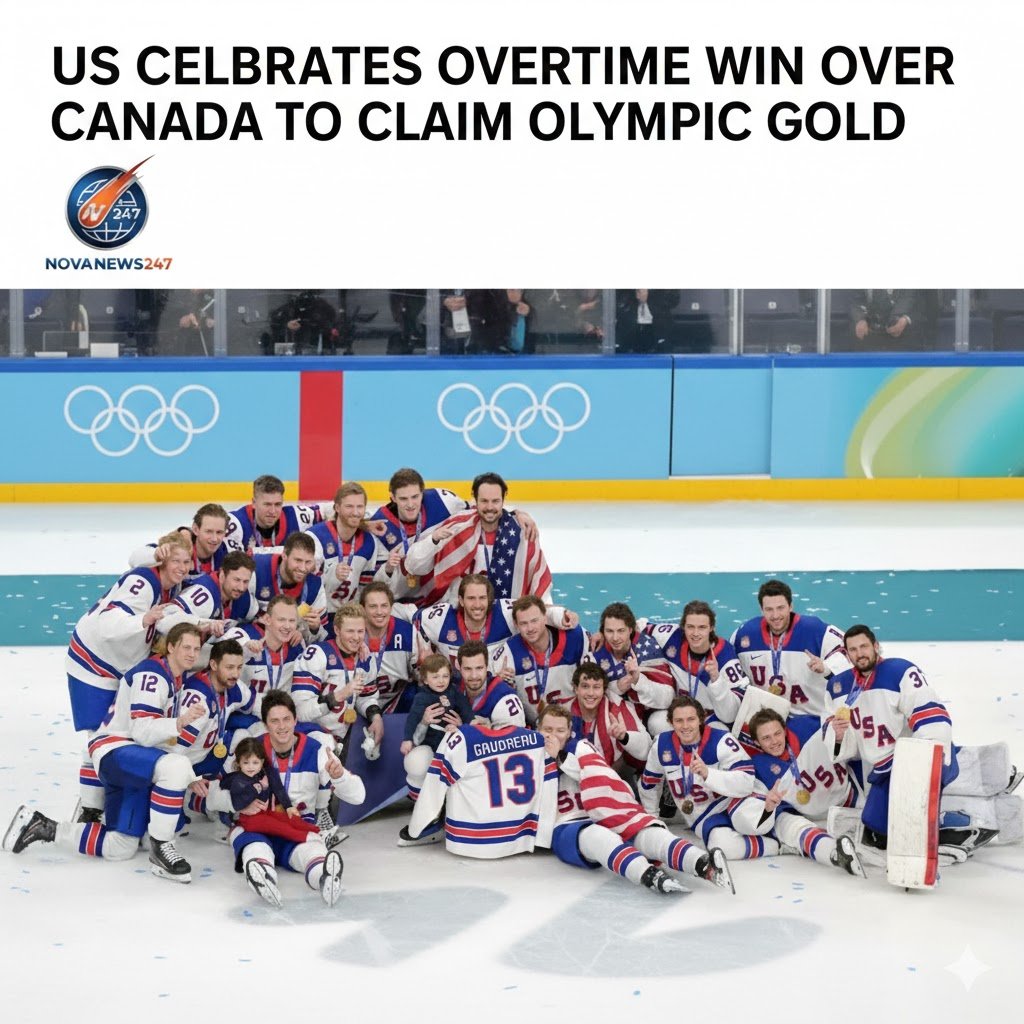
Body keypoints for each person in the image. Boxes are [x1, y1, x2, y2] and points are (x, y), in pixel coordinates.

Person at [6, 623, 208, 883]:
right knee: (176, 767)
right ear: (170, 647)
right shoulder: (154, 675)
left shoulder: (174, 677)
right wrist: (179, 722)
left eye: (196, 648)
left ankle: (43, 826)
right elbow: (143, 731)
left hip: (134, 760)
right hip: (116, 750)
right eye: (186, 647)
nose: (192, 654)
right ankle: (161, 848)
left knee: (120, 847)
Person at [828, 625, 997, 857]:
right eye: (853, 650)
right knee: (876, 832)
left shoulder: (899, 671)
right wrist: (838, 737)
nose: (860, 653)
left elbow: (930, 715)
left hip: (914, 760)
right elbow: (847, 748)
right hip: (884, 771)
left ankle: (958, 819)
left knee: (913, 816)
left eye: (864, 646)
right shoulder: (839, 688)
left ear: (876, 646)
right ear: (847, 654)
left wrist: (923, 765)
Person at [539, 704, 733, 895]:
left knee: (645, 833)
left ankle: (701, 862)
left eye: (560, 730)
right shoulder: (527, 755)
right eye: (548, 729)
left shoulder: (581, 748)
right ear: (537, 728)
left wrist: (560, 757)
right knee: (598, 836)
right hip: (564, 825)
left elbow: (596, 775)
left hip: (601, 814)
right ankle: (648, 874)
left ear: (570, 731)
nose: (553, 735)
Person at [66, 530, 192, 821]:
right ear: (162, 558)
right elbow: (109, 625)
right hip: (93, 665)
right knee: (99, 737)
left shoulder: (168, 584)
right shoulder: (143, 581)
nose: (183, 568)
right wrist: (143, 620)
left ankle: (100, 803)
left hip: (118, 668)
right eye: (177, 560)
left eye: (187, 562)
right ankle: (89, 808)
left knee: (114, 734)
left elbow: (139, 555)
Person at [206, 690, 364, 908]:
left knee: (313, 851)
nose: (282, 726)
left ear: (295, 720)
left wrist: (340, 777)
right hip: (256, 828)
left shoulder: (316, 750)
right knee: (254, 846)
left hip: (296, 826)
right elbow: (212, 795)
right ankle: (262, 874)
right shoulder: (249, 750)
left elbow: (358, 797)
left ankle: (325, 877)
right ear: (265, 724)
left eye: (286, 719)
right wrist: (237, 802)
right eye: (274, 721)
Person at [372, 468, 540, 606]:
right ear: (393, 497)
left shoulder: (442, 501)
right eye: (403, 498)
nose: (410, 504)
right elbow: (378, 580)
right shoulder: (380, 526)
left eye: (415, 497)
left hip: (433, 589)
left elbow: (481, 507)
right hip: (401, 594)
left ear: (422, 493)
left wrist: (515, 512)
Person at [639, 697, 780, 861]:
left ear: (700, 719)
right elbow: (649, 784)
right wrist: (652, 821)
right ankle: (776, 846)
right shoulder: (661, 745)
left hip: (736, 800)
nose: (685, 726)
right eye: (679, 720)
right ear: (670, 722)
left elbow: (746, 781)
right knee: (722, 848)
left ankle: (776, 830)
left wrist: (708, 774)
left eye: (691, 719)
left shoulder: (721, 740)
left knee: (750, 822)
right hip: (705, 816)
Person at [398, 718, 559, 856]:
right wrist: (543, 837)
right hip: (518, 837)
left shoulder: (462, 738)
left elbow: (435, 783)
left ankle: (429, 826)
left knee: (419, 762)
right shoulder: (537, 741)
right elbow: (549, 786)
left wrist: (416, 827)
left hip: (468, 839)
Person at [748, 708, 865, 878]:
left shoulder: (805, 728)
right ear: (757, 742)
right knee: (784, 822)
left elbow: (839, 735)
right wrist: (770, 804)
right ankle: (833, 853)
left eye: (777, 733)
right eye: (766, 738)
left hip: (843, 798)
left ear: (785, 730)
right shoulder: (756, 766)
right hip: (807, 816)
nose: (774, 741)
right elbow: (760, 815)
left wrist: (838, 735)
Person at [731, 579, 849, 742]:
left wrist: (827, 667)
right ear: (761, 609)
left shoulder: (815, 630)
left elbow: (848, 650)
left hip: (810, 719)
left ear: (791, 606)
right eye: (769, 609)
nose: (775, 615)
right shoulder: (743, 634)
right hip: (766, 724)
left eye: (781, 608)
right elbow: (730, 668)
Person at [415, 574, 571, 676]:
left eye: (482, 598)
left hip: (495, 687)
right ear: (461, 601)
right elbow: (415, 620)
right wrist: (423, 652)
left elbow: (536, 611)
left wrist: (563, 616)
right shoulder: (440, 618)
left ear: (490, 600)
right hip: (453, 691)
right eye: (471, 598)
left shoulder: (504, 612)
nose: (477, 605)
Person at [645, 600, 745, 734]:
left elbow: (730, 715)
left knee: (720, 733)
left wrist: (716, 680)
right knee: (655, 723)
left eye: (702, 627)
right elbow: (637, 627)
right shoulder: (670, 636)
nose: (695, 633)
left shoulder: (726, 658)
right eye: (690, 627)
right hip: (679, 713)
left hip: (707, 717)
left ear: (711, 628)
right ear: (683, 627)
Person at [491, 595, 589, 724]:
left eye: (534, 621)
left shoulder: (576, 637)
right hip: (535, 729)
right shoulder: (508, 653)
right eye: (524, 623)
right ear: (516, 625)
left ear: (545, 618)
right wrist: (498, 682)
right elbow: (491, 693)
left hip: (576, 724)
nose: (530, 628)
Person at [291, 603, 377, 746]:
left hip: (343, 735)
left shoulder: (366, 657)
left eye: (360, 631)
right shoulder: (317, 655)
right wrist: (341, 695)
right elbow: (300, 711)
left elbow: (367, 697)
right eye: (350, 631)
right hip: (312, 733)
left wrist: (376, 718)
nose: (356, 637)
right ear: (336, 629)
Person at [356, 582, 422, 757]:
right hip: (359, 702)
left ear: (391, 607)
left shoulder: (408, 632)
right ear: (362, 609)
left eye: (384, 606)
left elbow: (420, 675)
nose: (379, 612)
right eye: (373, 606)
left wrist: (425, 666)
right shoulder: (353, 633)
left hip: (396, 699)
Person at [220, 736, 321, 845]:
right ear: (239, 762)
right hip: (249, 820)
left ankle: (319, 832)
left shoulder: (265, 773)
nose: (250, 767)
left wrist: (288, 806)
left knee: (287, 819)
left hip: (265, 813)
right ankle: (309, 838)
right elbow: (236, 803)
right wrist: (254, 791)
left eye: (255, 762)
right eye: (246, 763)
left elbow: (278, 788)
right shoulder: (238, 781)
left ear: (262, 761)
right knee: (281, 827)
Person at [401, 654, 475, 799]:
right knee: (417, 762)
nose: (441, 681)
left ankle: (454, 802)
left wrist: (470, 723)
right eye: (435, 677)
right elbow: (412, 718)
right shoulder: (422, 697)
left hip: (451, 739)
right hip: (431, 740)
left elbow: (465, 708)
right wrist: (408, 739)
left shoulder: (453, 691)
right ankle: (421, 802)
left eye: (445, 676)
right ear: (425, 680)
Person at [307, 481, 382, 615]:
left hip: (350, 618)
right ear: (337, 507)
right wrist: (332, 575)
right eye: (349, 506)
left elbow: (364, 588)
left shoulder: (369, 542)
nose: (355, 512)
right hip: (317, 615)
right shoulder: (315, 537)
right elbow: (305, 583)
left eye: (360, 507)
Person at [592, 602, 675, 719]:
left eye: (621, 630)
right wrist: (618, 686)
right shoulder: (596, 651)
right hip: (616, 713)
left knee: (659, 723)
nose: (615, 638)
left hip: (649, 713)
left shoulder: (647, 649)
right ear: (602, 631)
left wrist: (638, 680)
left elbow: (668, 698)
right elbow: (587, 692)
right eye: (609, 631)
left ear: (630, 629)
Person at [565, 662, 651, 773]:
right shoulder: (563, 712)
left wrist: (624, 737)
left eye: (596, 687)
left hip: (614, 774)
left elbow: (646, 747)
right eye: (585, 686)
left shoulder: (617, 709)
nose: (590, 693)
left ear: (604, 690)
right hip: (572, 773)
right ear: (576, 688)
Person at [249, 532, 327, 641]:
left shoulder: (315, 586)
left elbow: (322, 636)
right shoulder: (256, 569)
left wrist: (314, 628)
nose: (303, 568)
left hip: (286, 642)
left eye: (308, 562)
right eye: (298, 560)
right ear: (284, 555)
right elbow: (237, 615)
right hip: (254, 636)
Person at [129, 502, 232, 582]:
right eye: (208, 531)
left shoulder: (226, 555)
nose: (214, 538)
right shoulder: (179, 546)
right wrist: (156, 555)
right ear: (196, 529)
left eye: (219, 532)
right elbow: (133, 560)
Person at [225, 474, 323, 554]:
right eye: (267, 504)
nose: (272, 511)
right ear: (254, 503)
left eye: (277, 504)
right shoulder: (236, 524)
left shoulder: (296, 517)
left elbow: (328, 511)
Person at [168, 550, 257, 632]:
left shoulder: (245, 600)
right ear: (222, 575)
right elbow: (168, 617)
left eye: (245, 581)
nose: (241, 588)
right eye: (236, 580)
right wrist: (203, 624)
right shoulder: (205, 594)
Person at [456, 640, 526, 730]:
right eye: (467, 669)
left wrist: (488, 733)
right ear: (459, 667)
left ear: (487, 666)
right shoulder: (452, 688)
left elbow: (516, 740)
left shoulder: (505, 697)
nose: (474, 675)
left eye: (479, 668)